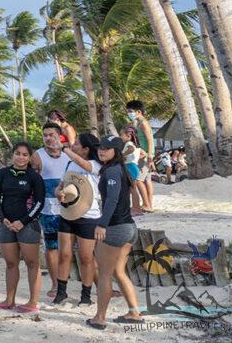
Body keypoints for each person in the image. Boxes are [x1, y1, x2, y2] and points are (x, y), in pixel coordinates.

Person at [87, 135, 142, 330]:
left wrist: (102, 224)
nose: (102, 150)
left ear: (116, 152)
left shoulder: (111, 171)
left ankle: (100, 318)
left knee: (104, 274)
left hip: (115, 229)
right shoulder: (121, 169)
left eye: (107, 148)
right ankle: (134, 312)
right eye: (100, 147)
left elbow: (111, 201)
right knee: (119, 272)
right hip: (129, 228)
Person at [0, 142, 45, 313]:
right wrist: (3, 219)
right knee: (11, 263)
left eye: (24, 155)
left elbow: (39, 202)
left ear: (29, 158)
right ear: (12, 155)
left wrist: (24, 221)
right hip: (6, 225)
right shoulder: (2, 174)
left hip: (28, 225)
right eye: (17, 153)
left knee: (32, 263)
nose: (20, 157)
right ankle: (9, 300)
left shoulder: (34, 177)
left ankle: (32, 302)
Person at [53, 133, 102, 305]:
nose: (73, 145)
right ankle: (61, 292)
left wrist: (64, 149)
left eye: (76, 144)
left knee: (86, 257)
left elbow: (85, 165)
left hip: (88, 216)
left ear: (86, 149)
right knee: (64, 254)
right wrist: (58, 192)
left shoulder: (96, 165)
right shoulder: (69, 164)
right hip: (67, 212)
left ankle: (86, 295)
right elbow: (61, 185)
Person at [30, 122, 70, 299]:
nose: (48, 138)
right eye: (45, 135)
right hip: (48, 211)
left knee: (76, 249)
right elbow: (32, 181)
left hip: (71, 209)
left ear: (59, 136)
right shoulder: (37, 156)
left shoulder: (69, 155)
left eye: (51, 134)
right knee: (52, 248)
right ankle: (55, 285)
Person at [126, 101, 154, 212]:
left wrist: (150, 155)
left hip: (145, 155)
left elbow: (150, 139)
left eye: (130, 111)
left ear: (138, 111)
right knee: (147, 179)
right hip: (141, 153)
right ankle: (149, 205)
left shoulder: (143, 123)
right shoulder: (136, 122)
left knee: (138, 179)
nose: (129, 113)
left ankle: (147, 205)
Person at [120, 126, 145, 216]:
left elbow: (131, 149)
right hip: (133, 166)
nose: (121, 137)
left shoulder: (129, 143)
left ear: (128, 136)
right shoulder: (137, 145)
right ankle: (136, 208)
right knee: (133, 190)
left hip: (130, 167)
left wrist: (122, 155)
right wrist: (136, 159)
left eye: (122, 135)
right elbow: (143, 154)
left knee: (133, 190)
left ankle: (136, 209)